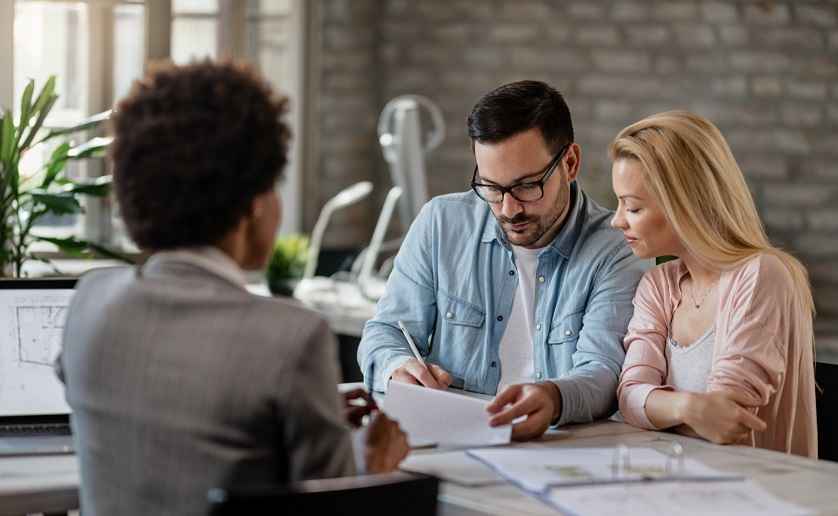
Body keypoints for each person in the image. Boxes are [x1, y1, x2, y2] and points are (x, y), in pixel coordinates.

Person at [56, 61, 408, 516]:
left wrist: (297, 412)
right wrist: (376, 467)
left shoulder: (90, 299)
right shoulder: (291, 337)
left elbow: (162, 400)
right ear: (252, 207)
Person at [357, 80, 648, 441]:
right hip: (453, 441)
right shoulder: (441, 223)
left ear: (570, 163)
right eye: (492, 187)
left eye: (527, 186)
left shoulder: (615, 248)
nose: (508, 209)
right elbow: (384, 331)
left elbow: (604, 372)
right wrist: (397, 368)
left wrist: (553, 398)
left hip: (557, 448)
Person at [611, 110, 817, 457]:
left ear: (684, 205)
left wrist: (658, 407)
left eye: (632, 207)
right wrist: (690, 409)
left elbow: (725, 426)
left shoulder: (762, 275)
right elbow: (629, 397)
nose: (617, 220)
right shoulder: (658, 285)